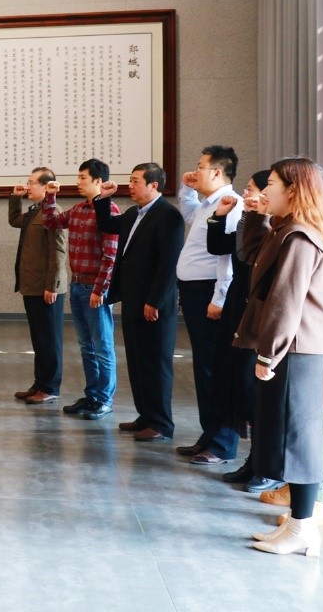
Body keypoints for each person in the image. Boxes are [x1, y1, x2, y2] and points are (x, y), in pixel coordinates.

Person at [235, 157, 323, 556]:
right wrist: (255, 215)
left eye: (270, 184)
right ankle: (299, 525)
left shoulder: (300, 236)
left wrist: (268, 355)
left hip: (295, 349)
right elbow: (255, 256)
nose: (264, 190)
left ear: (293, 190)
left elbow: (287, 302)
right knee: (293, 433)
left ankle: (302, 527)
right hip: (295, 348)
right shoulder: (286, 229)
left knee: (299, 437)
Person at [94, 163, 184, 442]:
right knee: (137, 361)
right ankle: (146, 415)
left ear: (153, 185)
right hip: (133, 299)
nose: (130, 186)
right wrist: (103, 199)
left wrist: (155, 300)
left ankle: (161, 423)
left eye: (135, 181)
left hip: (154, 304)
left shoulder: (169, 215)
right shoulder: (134, 213)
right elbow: (107, 225)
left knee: (155, 364)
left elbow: (168, 264)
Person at [175, 146, 244, 465]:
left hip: (209, 294)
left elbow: (227, 258)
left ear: (217, 172)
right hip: (194, 292)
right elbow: (189, 213)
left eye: (200, 166)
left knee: (216, 369)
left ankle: (222, 443)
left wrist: (219, 299)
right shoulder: (208, 204)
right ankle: (209, 434)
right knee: (203, 368)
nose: (195, 171)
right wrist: (186, 187)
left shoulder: (230, 204)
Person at [41, 159, 119, 420]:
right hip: (77, 286)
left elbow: (110, 256)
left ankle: (104, 400)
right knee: (86, 345)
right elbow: (51, 222)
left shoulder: (109, 210)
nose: (78, 182)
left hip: (95, 288)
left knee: (102, 346)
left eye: (83, 177)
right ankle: (92, 396)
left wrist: (99, 289)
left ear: (98, 181)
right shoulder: (77, 209)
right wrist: (50, 196)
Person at [210, 171, 275, 485]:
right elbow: (229, 250)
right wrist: (220, 217)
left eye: (251, 189)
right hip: (239, 304)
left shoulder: (278, 228)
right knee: (236, 382)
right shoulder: (249, 221)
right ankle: (253, 460)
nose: (245, 194)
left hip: (260, 311)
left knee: (254, 390)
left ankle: (264, 465)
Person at [8, 167, 68, 405]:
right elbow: (15, 221)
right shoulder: (35, 211)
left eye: (32, 182)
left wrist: (52, 285)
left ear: (46, 186)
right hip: (32, 285)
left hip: (47, 287)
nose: (28, 186)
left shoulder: (54, 212)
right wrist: (15, 198)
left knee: (50, 340)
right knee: (39, 338)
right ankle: (40, 383)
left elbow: (58, 251)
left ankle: (51, 387)